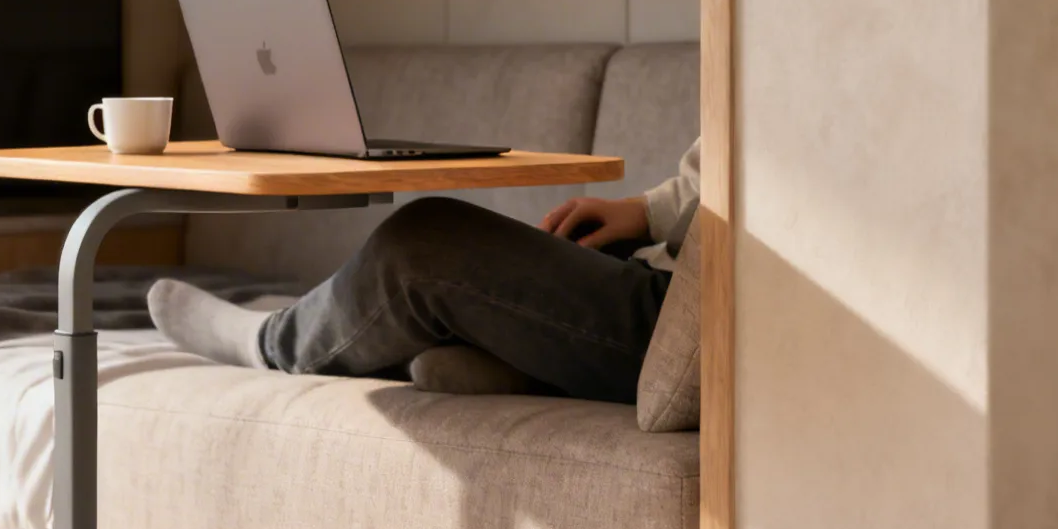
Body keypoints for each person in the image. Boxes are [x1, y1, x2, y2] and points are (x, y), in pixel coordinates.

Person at [146, 139, 700, 403]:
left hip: (682, 318)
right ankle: (522, 362)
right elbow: (732, 170)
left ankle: (273, 343)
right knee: (543, 252)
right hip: (664, 270)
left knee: (421, 246)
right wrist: (647, 211)